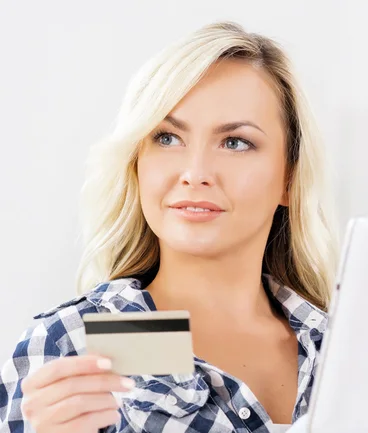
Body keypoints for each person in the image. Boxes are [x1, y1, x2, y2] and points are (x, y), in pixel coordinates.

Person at [0, 21, 338, 433]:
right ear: (136, 161)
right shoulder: (73, 345)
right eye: (167, 138)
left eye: (235, 143)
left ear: (289, 178)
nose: (195, 173)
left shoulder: (344, 348)